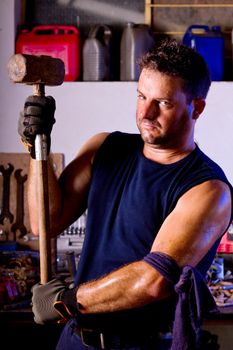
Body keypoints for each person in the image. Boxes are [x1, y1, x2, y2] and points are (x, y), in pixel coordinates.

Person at [19, 38, 232, 350]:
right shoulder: (104, 148)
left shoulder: (208, 189)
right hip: (77, 339)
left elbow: (153, 280)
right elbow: (44, 224)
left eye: (163, 103)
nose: (145, 113)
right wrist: (38, 151)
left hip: (144, 344)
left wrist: (65, 300)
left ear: (195, 107)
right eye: (141, 96)